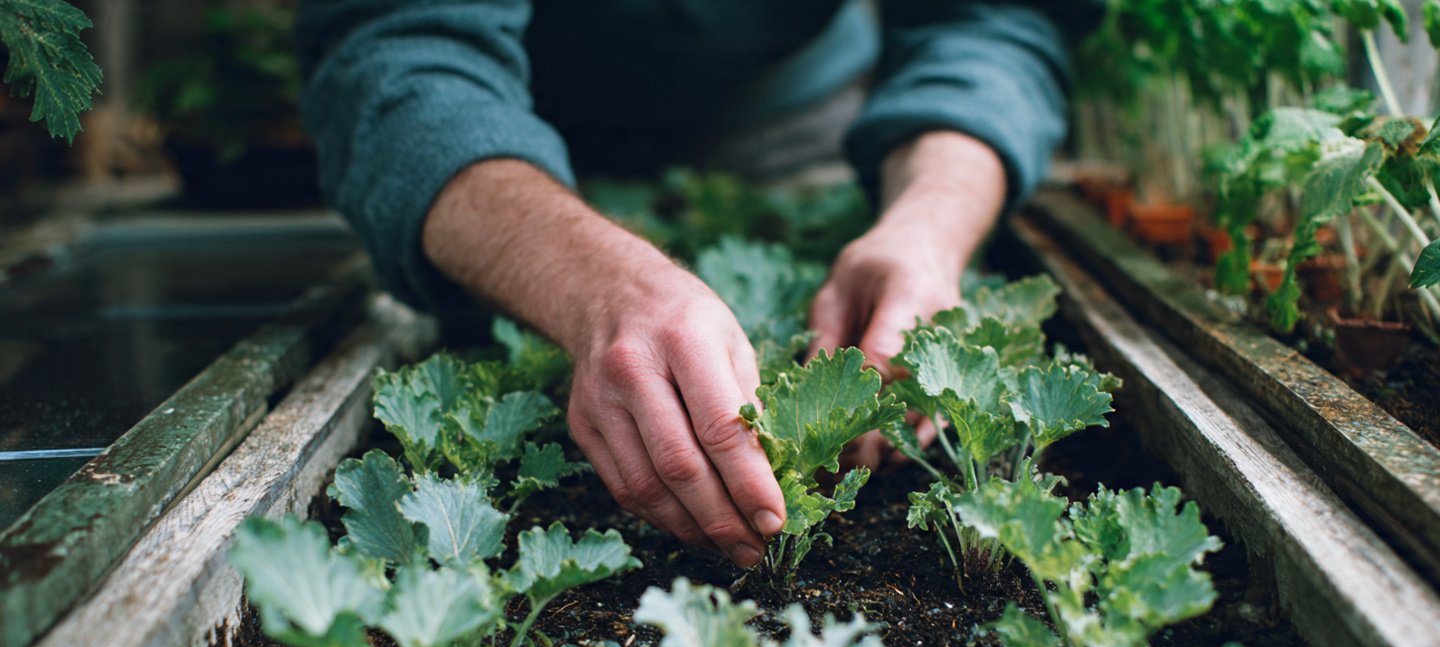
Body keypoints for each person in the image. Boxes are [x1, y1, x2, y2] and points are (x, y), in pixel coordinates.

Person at [295, 0, 1100, 570]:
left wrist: (931, 223)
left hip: (799, 102)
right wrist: (589, 280)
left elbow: (995, 18)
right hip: (508, 116)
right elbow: (397, 60)